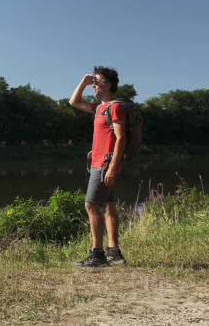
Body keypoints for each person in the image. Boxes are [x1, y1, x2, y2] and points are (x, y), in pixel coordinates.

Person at [69, 66, 127, 267]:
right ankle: (114, 253)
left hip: (104, 165)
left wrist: (111, 167)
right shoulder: (99, 108)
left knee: (91, 205)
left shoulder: (114, 107)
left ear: (107, 84)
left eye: (96, 81)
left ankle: (98, 254)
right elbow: (74, 102)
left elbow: (121, 138)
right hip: (97, 163)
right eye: (93, 82)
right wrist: (83, 82)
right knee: (109, 206)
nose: (93, 85)